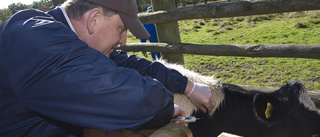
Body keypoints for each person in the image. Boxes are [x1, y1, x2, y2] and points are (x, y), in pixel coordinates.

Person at [0, 0, 215, 136]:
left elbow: (129, 63)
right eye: (121, 29)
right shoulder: (31, 36)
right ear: (94, 19)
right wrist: (164, 106)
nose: (123, 40)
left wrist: (188, 86)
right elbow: (123, 96)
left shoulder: (72, 44)